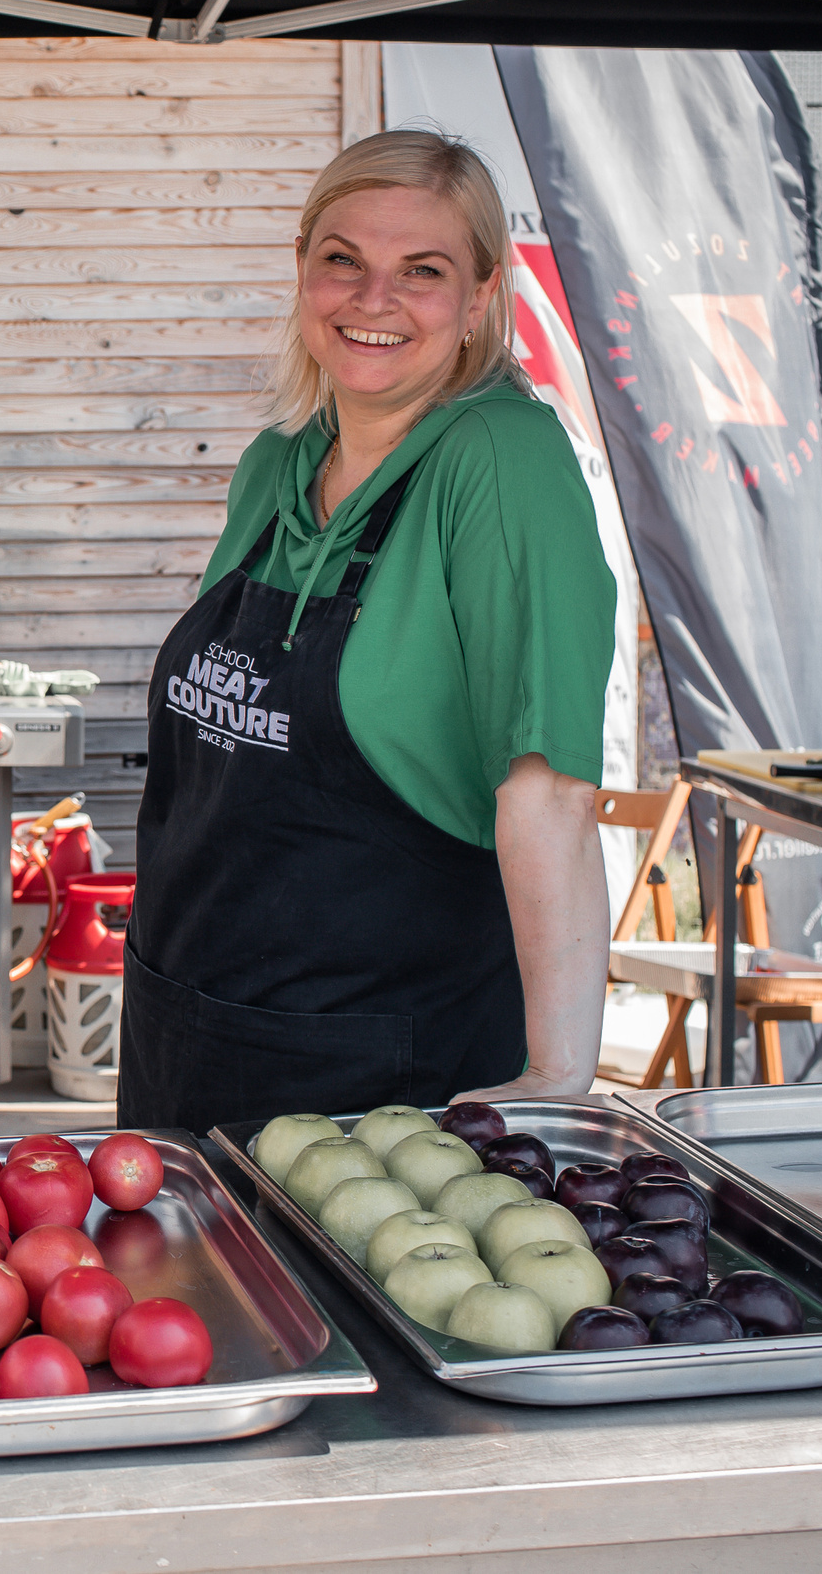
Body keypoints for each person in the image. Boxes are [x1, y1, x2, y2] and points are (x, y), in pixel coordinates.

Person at [116, 129, 615, 1136]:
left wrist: (558, 1074)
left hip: (378, 1081)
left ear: (479, 296)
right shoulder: (277, 465)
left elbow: (550, 788)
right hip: (187, 1037)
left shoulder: (500, 458)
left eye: (422, 271)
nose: (373, 298)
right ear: (303, 265)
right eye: (344, 259)